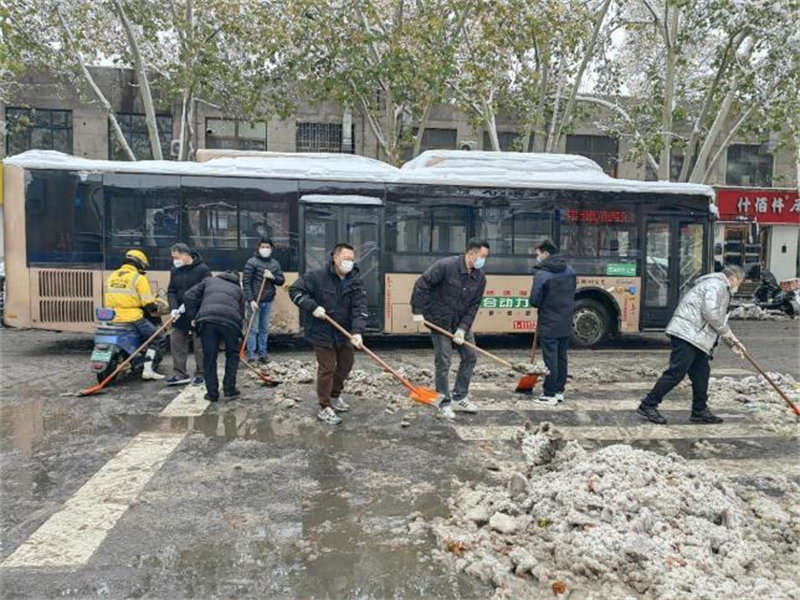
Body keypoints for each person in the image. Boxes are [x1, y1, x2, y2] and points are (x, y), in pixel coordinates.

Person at [637, 265, 746, 425]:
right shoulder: (717, 285)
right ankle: (648, 404)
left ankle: (699, 410)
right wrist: (729, 335)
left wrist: (733, 343)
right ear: (734, 278)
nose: (738, 286)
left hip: (696, 337)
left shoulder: (718, 286)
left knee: (702, 373)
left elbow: (717, 321)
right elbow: (711, 314)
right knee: (676, 372)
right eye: (740, 282)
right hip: (687, 335)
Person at [410, 238, 489, 420]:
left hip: (460, 322)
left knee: (470, 357)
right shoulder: (445, 266)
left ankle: (459, 397)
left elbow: (474, 306)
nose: (483, 260)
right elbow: (422, 284)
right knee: (444, 362)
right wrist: (417, 310)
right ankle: (444, 402)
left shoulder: (480, 277)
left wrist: (462, 329)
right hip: (439, 322)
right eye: (482, 256)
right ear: (471, 253)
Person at [289, 243, 367, 425]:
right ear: (335, 257)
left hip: (343, 332)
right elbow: (295, 291)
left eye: (352, 259)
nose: (349, 262)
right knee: (327, 368)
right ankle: (324, 407)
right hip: (321, 331)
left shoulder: (355, 280)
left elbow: (359, 308)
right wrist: (313, 307)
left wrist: (357, 332)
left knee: (346, 364)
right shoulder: (317, 276)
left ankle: (334, 395)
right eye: (346, 258)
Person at [182, 271, 245, 402]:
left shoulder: (209, 281)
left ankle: (212, 394)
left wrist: (193, 316)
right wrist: (238, 334)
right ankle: (229, 390)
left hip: (207, 321)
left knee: (209, 358)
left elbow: (188, 296)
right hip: (231, 322)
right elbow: (241, 313)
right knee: (232, 355)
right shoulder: (238, 290)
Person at [104, 249, 166, 380]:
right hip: (132, 318)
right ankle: (148, 370)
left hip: (113, 317)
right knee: (157, 337)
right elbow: (148, 303)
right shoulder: (138, 278)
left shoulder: (112, 275)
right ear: (139, 263)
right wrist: (155, 307)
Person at [529, 240, 577, 406]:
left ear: (546, 254)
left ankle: (549, 393)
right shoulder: (570, 271)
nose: (537, 257)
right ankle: (558, 391)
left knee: (550, 358)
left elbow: (534, 301)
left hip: (549, 321)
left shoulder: (542, 275)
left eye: (538, 254)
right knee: (561, 357)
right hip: (565, 320)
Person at [165, 243, 211, 386]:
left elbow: (206, 290)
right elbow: (172, 291)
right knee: (177, 341)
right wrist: (173, 308)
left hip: (197, 312)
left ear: (186, 255)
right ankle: (179, 372)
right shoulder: (175, 270)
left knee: (200, 345)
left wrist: (189, 304)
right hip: (179, 313)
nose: (175, 260)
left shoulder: (202, 269)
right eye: (173, 258)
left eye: (177, 257)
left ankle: (202, 373)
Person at [242, 238, 286, 365]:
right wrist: (251, 300)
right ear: (258, 248)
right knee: (253, 329)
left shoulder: (275, 264)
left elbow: (281, 280)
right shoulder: (252, 262)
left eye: (267, 247)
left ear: (271, 249)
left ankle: (263, 354)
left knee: (264, 329)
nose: (265, 249)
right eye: (263, 247)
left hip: (268, 301)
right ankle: (251, 356)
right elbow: (246, 282)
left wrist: (272, 277)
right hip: (255, 301)